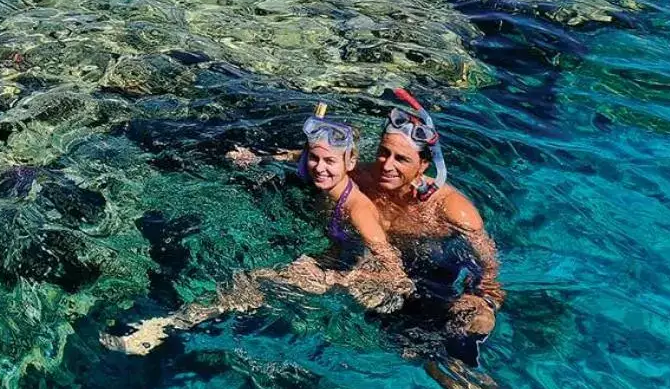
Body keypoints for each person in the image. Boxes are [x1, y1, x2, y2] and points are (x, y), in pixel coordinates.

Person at [104, 91, 504, 365]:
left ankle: (168, 325)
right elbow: (315, 158)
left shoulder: (454, 209)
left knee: (468, 316)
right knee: (427, 355)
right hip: (372, 262)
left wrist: (485, 295)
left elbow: (487, 267)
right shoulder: (364, 174)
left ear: (424, 164)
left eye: (401, 159)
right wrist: (261, 157)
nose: (387, 165)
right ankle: (170, 324)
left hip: (431, 269)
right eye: (383, 152)